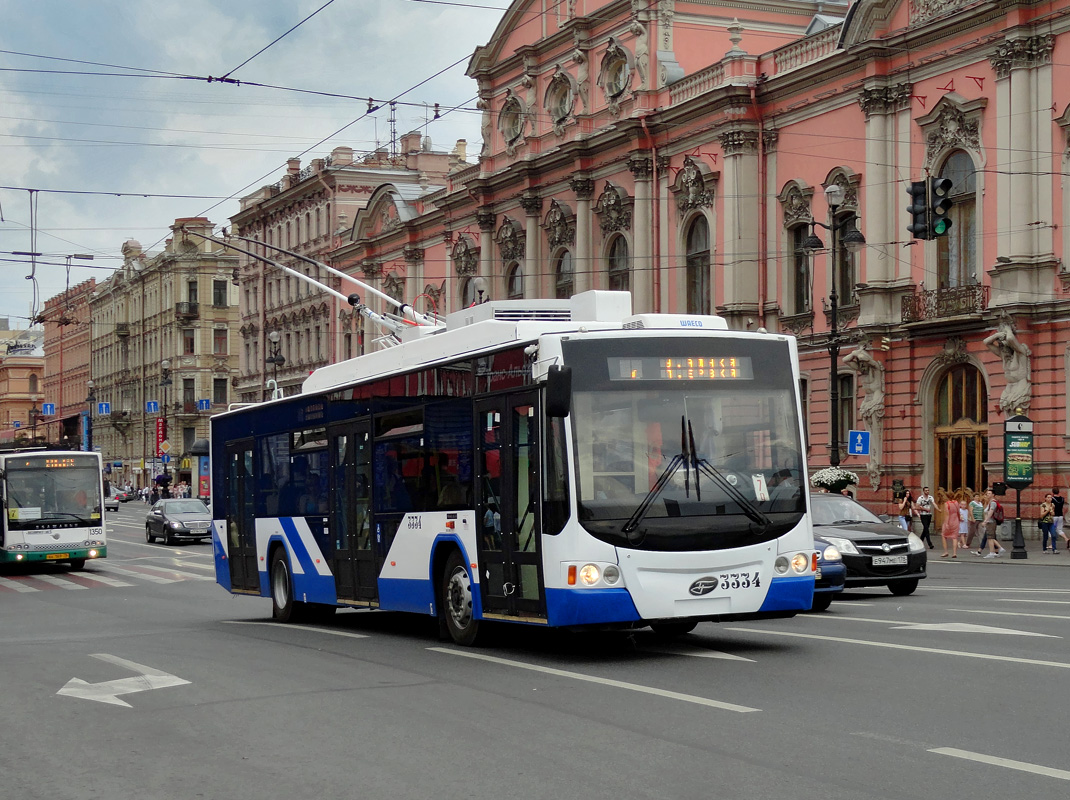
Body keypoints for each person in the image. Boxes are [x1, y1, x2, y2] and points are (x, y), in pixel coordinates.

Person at [980, 488, 1006, 558]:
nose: (987, 495)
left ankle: (992, 552)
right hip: (990, 522)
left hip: (991, 522)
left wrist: (985, 521)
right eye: (987, 493)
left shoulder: (993, 502)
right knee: (991, 537)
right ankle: (1000, 548)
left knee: (990, 538)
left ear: (993, 495)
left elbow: (990, 512)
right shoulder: (990, 502)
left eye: (989, 493)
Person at [936, 488, 959, 558]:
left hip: (949, 521)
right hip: (956, 521)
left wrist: (946, 523)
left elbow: (947, 514)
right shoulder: (956, 502)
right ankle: (954, 553)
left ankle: (946, 552)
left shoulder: (947, 504)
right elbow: (958, 512)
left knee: (943, 535)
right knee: (954, 537)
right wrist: (959, 519)